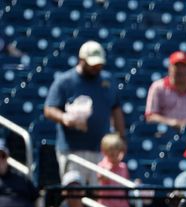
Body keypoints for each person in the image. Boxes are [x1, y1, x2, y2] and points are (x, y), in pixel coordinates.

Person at [44, 41, 125, 185]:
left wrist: (121, 137)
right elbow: (49, 109)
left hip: (102, 151)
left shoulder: (108, 81)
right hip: (72, 149)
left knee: (100, 197)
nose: (96, 67)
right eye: (92, 64)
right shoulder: (65, 81)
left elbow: (116, 109)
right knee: (74, 194)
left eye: (99, 64)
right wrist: (64, 117)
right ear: (81, 60)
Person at [144, 51, 186, 128]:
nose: (180, 70)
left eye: (183, 66)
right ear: (170, 67)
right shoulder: (158, 87)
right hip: (165, 132)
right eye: (176, 65)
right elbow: (150, 116)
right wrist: (172, 123)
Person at [96, 133, 132, 207]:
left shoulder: (123, 167)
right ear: (104, 151)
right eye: (110, 149)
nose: (113, 152)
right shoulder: (101, 166)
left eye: (116, 149)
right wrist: (110, 167)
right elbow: (101, 178)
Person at [0, 139, 38, 207]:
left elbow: (37, 197)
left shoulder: (21, 177)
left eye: (2, 156)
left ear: (7, 158)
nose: (0, 160)